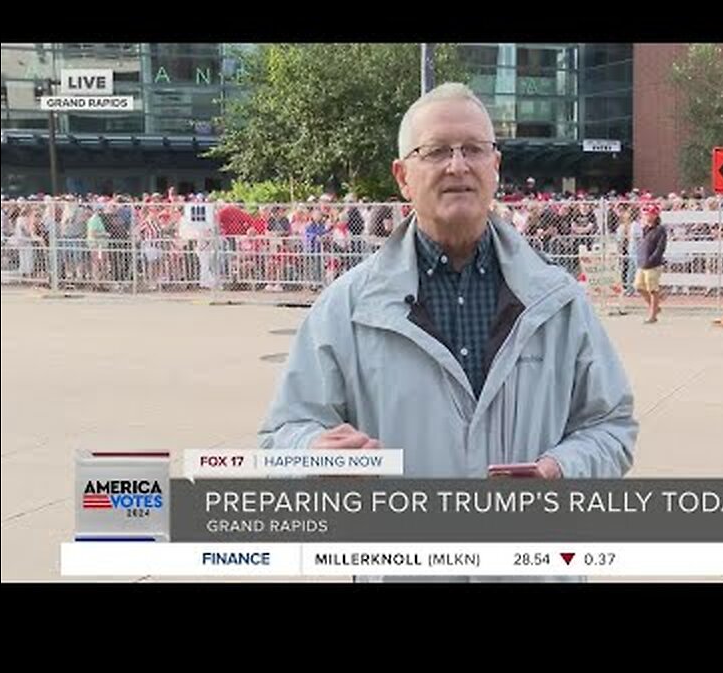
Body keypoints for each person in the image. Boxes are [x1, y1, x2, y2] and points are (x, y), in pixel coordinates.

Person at [261, 81, 637, 476]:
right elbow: (283, 437)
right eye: (436, 151)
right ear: (403, 176)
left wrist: (562, 470)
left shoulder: (557, 301)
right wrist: (313, 455)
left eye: (474, 149)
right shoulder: (347, 307)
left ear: (495, 166)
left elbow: (610, 427)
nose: (458, 166)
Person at [634, 204, 666, 323]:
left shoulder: (660, 229)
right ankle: (655, 307)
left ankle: (653, 316)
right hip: (642, 263)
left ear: (656, 215)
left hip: (653, 265)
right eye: (645, 214)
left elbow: (660, 248)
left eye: (650, 214)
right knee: (638, 286)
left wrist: (652, 259)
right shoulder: (645, 229)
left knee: (653, 290)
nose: (647, 216)